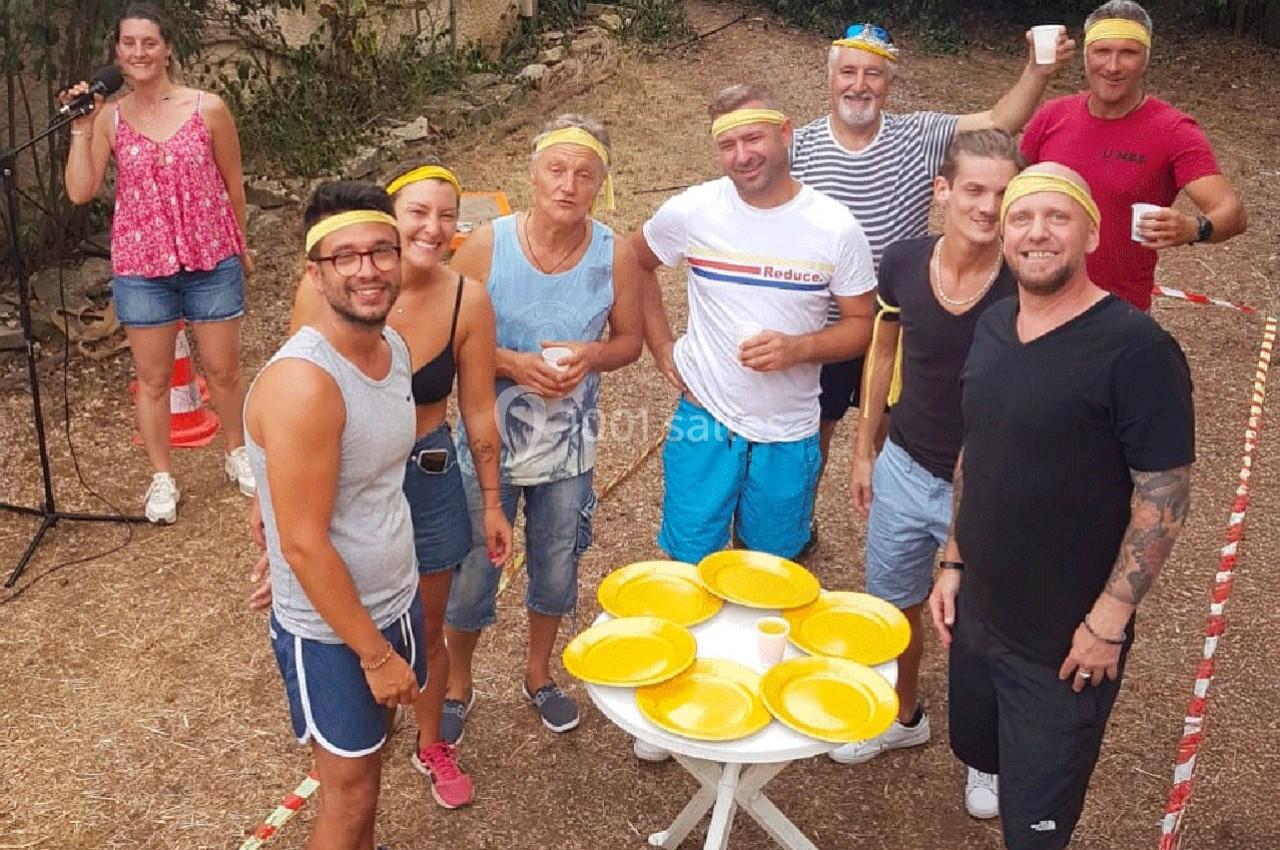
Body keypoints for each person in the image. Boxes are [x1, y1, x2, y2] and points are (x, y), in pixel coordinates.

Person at [929, 163, 1194, 849]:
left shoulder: (1137, 350)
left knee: (1036, 827)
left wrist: (1110, 620)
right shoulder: (993, 327)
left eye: (1057, 217)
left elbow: (1164, 490)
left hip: (1064, 643)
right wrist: (954, 560)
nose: (1036, 232)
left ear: (1092, 232)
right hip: (981, 612)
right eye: (1022, 217)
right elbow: (976, 450)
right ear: (1004, 234)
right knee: (984, 754)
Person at [279, 161, 514, 808]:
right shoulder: (328, 288)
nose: (433, 228)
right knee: (346, 608)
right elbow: (292, 405)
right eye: (418, 212)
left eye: (447, 215)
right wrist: (267, 517)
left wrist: (492, 501)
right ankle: (356, 736)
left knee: (425, 624)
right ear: (390, 218)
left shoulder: (468, 298)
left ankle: (431, 741)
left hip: (428, 473)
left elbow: (479, 411)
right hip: (349, 478)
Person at [790, 21, 1074, 548]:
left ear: (889, 83)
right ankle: (797, 524)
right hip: (828, 323)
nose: (859, 85)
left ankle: (890, 520)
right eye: (848, 72)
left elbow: (1000, 120)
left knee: (895, 431)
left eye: (873, 73)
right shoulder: (801, 146)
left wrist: (1037, 70)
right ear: (829, 80)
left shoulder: (920, 134)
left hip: (905, 316)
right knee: (816, 433)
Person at [834, 131, 1022, 803]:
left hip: (988, 491)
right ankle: (901, 715)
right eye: (974, 189)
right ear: (942, 190)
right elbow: (883, 349)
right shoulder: (905, 261)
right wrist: (863, 451)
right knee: (893, 608)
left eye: (1004, 193)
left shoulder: (1024, 286)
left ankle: (986, 754)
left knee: (982, 625)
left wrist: (961, 533)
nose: (989, 206)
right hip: (904, 468)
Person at [442, 115, 643, 742]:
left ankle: (539, 675)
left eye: (584, 175)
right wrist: (510, 362)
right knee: (474, 566)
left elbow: (629, 341)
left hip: (568, 451)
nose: (568, 184)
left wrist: (590, 356)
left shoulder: (615, 254)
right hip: (486, 445)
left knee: (557, 565)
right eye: (556, 170)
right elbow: (448, 336)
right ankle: (456, 683)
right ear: (531, 174)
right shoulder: (485, 247)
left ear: (600, 185)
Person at [245, 180, 426, 850]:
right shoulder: (305, 384)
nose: (368, 269)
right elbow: (305, 545)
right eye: (345, 257)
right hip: (333, 629)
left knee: (365, 771)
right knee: (348, 794)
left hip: (394, 595)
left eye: (382, 251)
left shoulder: (392, 348)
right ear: (314, 273)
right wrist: (375, 655)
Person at [637, 84, 876, 583]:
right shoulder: (693, 211)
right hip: (704, 420)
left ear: (784, 132)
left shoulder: (835, 227)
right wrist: (661, 347)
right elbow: (634, 263)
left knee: (765, 575)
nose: (742, 156)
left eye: (754, 139)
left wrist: (799, 348)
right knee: (688, 569)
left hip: (787, 429)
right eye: (728, 145)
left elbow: (861, 326)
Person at [60, 1, 254, 523]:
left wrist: (241, 244)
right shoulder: (110, 118)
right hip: (144, 268)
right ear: (118, 52)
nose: (139, 52)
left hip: (211, 257)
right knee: (153, 379)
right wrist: (82, 125)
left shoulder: (207, 108)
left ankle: (238, 452)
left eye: (149, 42)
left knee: (224, 369)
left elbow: (233, 184)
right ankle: (161, 477)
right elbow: (81, 191)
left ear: (167, 47)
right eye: (129, 44)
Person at [1020, 0, 1246, 311]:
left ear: (1145, 59)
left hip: (1113, 313)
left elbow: (1232, 213)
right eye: (1102, 51)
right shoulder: (1052, 115)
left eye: (1128, 52)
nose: (1112, 67)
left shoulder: (1172, 129)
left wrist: (1194, 228)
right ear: (1085, 56)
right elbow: (1007, 184)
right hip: (1033, 299)